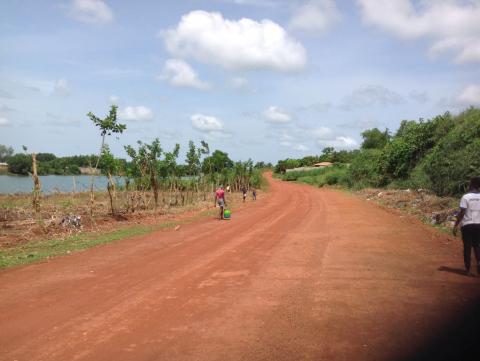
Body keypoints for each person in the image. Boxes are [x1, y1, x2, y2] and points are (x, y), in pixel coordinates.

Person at [453, 176, 480, 277]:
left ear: (472, 184)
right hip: (479, 225)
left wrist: (456, 225)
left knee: (467, 247)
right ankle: (479, 263)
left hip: (467, 225)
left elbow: (462, 213)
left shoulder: (466, 197)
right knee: (477, 245)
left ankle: (468, 270)